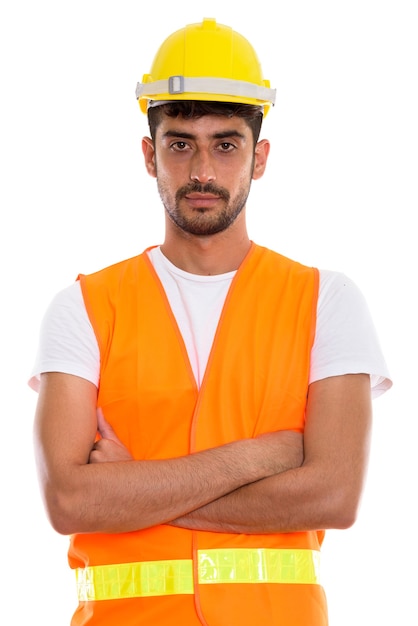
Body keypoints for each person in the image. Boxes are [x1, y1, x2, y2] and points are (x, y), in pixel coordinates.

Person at [30, 17, 392, 626]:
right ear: (150, 155)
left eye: (226, 144)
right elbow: (69, 501)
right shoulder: (84, 307)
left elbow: (334, 494)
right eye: (180, 143)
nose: (202, 170)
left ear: (261, 156)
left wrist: (133, 493)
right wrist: (261, 458)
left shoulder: (326, 299)